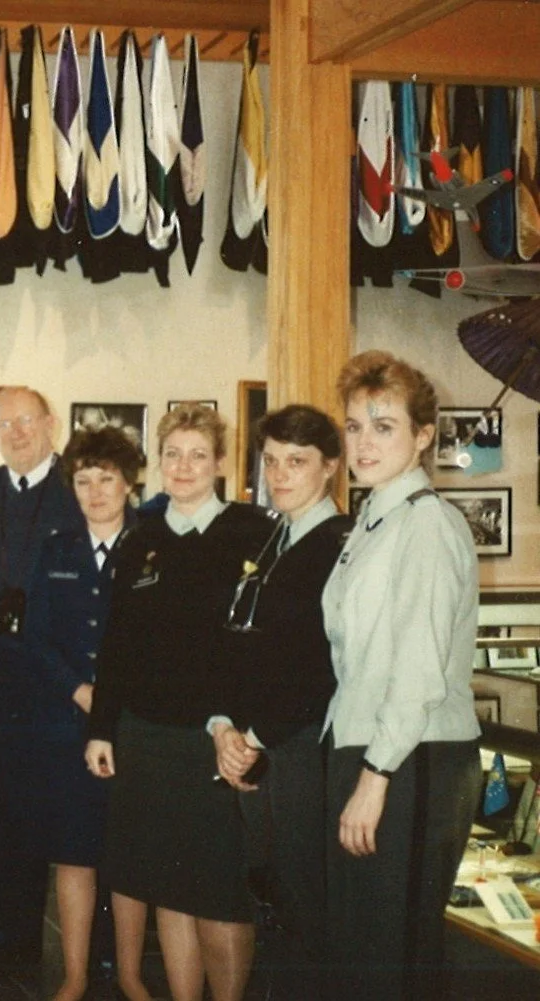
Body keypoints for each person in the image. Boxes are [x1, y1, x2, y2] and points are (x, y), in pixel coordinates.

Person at [85, 403, 273, 1001]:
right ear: (157, 464)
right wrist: (101, 729)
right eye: (173, 454)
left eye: (198, 454)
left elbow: (265, 646)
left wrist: (244, 733)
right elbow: (114, 646)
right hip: (145, 739)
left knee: (218, 895)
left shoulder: (254, 533)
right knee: (167, 888)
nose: (185, 466)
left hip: (214, 745)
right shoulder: (140, 540)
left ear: (220, 462)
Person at [322, 351, 481, 1000]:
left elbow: (415, 671)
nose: (363, 441)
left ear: (422, 435)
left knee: (398, 957)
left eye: (383, 425)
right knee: (368, 950)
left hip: (412, 762)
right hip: (374, 751)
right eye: (355, 425)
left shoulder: (425, 525)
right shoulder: (374, 520)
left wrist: (375, 776)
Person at [210, 405, 351, 999]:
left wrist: (255, 740)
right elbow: (232, 644)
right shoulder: (271, 538)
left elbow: (322, 667)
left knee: (301, 908)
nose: (281, 474)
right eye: (271, 461)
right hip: (252, 748)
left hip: (300, 750)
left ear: (330, 469)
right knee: (265, 898)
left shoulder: (339, 545)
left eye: (297, 461)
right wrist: (222, 727)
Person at [0, 386, 86, 980]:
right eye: (3, 423)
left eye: (26, 420)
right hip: (5, 672)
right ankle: (13, 941)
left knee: (72, 815)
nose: (15, 433)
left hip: (61, 677)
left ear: (51, 423)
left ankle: (95, 956)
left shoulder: (77, 488)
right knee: (9, 814)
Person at [26, 427, 149, 1001]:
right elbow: (36, 637)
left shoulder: (153, 546)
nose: (95, 492)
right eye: (83, 481)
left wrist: (118, 697)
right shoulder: (54, 549)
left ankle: (127, 974)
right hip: (67, 723)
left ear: (129, 483)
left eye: (107, 479)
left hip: (135, 725)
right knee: (74, 854)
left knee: (127, 855)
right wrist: (78, 690)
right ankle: (74, 976)